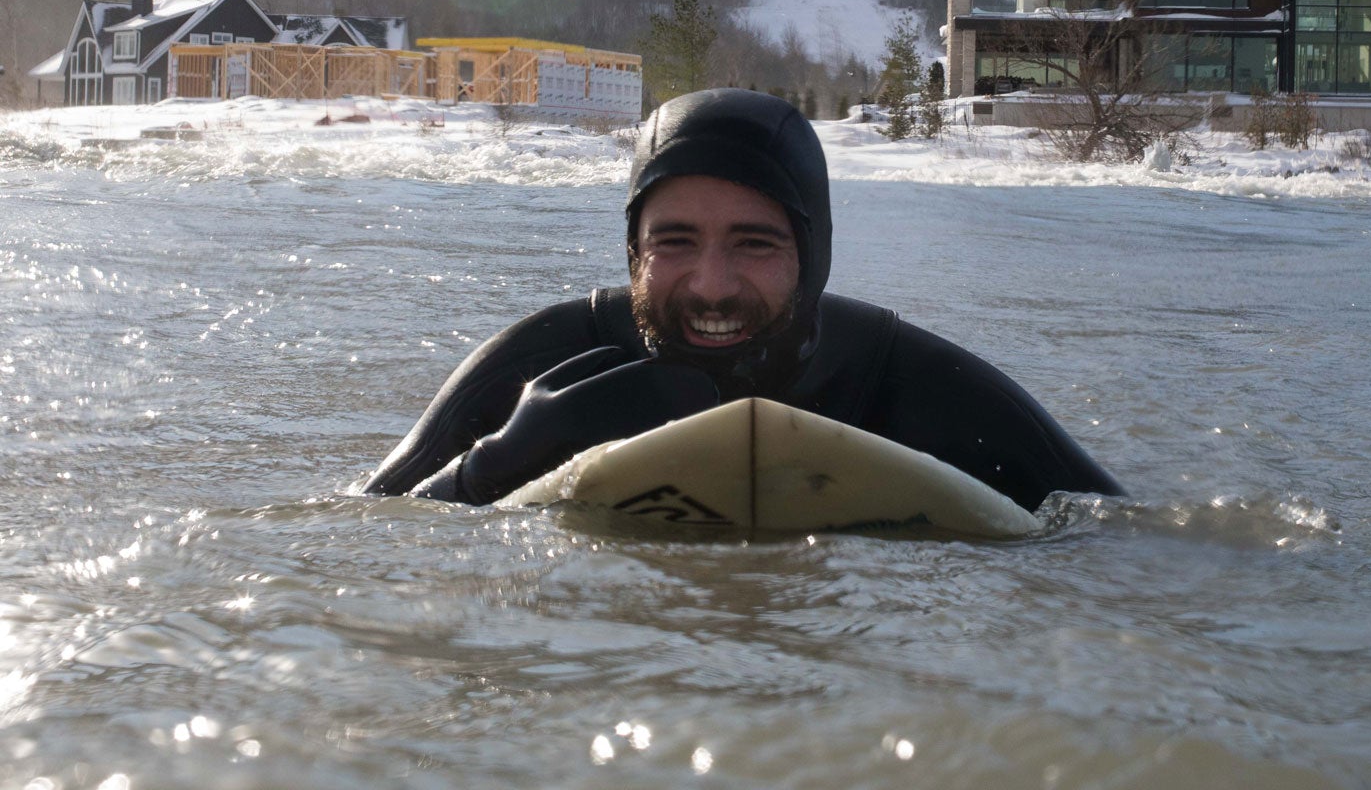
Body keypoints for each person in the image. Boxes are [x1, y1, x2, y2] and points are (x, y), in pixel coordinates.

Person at [363, 88, 1122, 510]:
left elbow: (1128, 546)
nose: (712, 285)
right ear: (634, 252)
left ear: (812, 253)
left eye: (755, 244)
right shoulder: (548, 361)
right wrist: (493, 467)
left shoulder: (904, 379)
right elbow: (353, 543)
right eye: (675, 243)